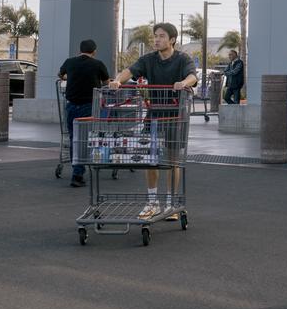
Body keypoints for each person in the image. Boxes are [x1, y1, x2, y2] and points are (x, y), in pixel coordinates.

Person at [111, 22, 197, 220]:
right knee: (149, 159)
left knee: (173, 160)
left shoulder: (182, 59)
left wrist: (183, 83)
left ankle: (170, 203)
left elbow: (192, 76)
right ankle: (152, 203)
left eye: (161, 36)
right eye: (155, 36)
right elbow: (130, 71)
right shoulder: (149, 59)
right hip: (153, 115)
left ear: (172, 40)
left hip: (175, 117)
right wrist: (118, 80)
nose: (156, 39)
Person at [58, 39, 111, 188]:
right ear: (94, 51)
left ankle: (77, 170)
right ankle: (77, 174)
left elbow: (60, 75)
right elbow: (107, 83)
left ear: (79, 50)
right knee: (84, 139)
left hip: (71, 106)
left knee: (74, 138)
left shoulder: (69, 62)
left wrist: (71, 77)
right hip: (89, 107)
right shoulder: (98, 64)